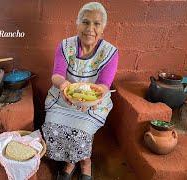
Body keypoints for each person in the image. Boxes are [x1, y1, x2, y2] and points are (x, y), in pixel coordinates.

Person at [41, 2, 119, 180]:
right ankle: (70, 161)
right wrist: (64, 86)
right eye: (85, 22)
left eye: (96, 24)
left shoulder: (110, 52)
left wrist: (89, 100)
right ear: (77, 24)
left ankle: (84, 162)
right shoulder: (64, 46)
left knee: (82, 130)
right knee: (53, 126)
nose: (90, 28)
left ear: (103, 28)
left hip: (94, 101)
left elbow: (104, 85)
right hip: (64, 96)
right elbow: (57, 75)